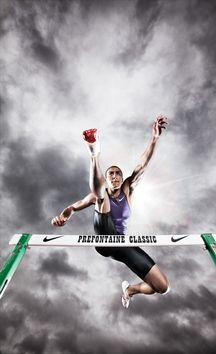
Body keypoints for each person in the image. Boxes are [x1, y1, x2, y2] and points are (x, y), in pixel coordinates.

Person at [51, 115, 170, 308]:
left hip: (122, 244)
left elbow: (143, 165)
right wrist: (64, 216)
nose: (114, 177)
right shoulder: (98, 195)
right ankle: (94, 152)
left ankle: (130, 290)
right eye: (110, 174)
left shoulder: (127, 189)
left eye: (118, 174)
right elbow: (73, 207)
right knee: (99, 196)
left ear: (122, 178)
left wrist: (154, 139)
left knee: (162, 286)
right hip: (104, 241)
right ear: (106, 179)